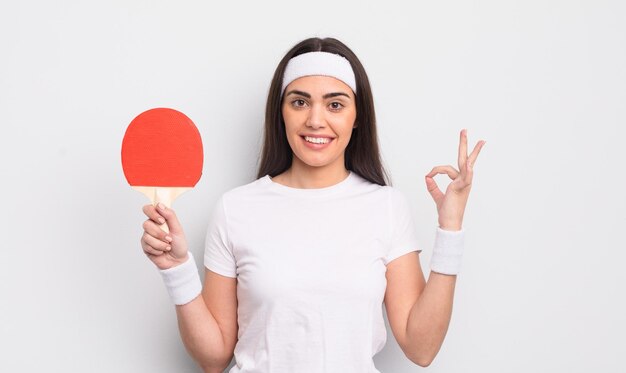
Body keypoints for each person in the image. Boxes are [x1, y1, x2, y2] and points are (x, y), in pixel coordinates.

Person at [139, 37, 485, 373]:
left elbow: (421, 348)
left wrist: (450, 227)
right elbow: (213, 359)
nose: (315, 120)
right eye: (300, 102)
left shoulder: (387, 207)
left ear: (357, 116)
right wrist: (176, 269)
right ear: (282, 113)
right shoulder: (235, 209)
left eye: (335, 104)